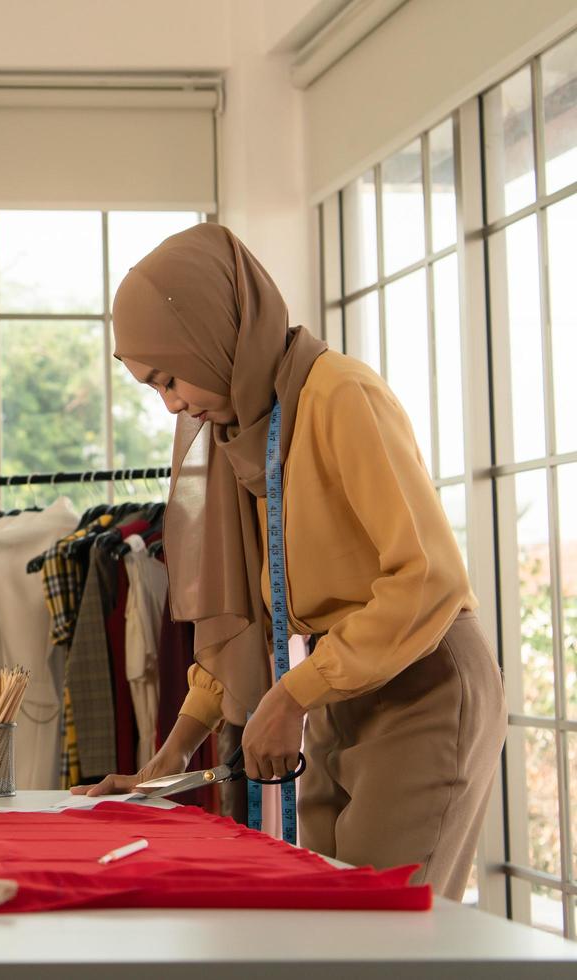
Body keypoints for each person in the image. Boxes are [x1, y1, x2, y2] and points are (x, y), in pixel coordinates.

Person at [78, 223, 504, 900]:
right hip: (338, 690)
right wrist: (165, 763)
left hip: (422, 682)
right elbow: (245, 625)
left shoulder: (338, 394)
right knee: (328, 928)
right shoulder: (246, 433)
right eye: (153, 389)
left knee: (379, 938)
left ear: (208, 332)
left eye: (170, 377)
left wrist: (295, 693)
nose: (173, 404)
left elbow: (428, 580)